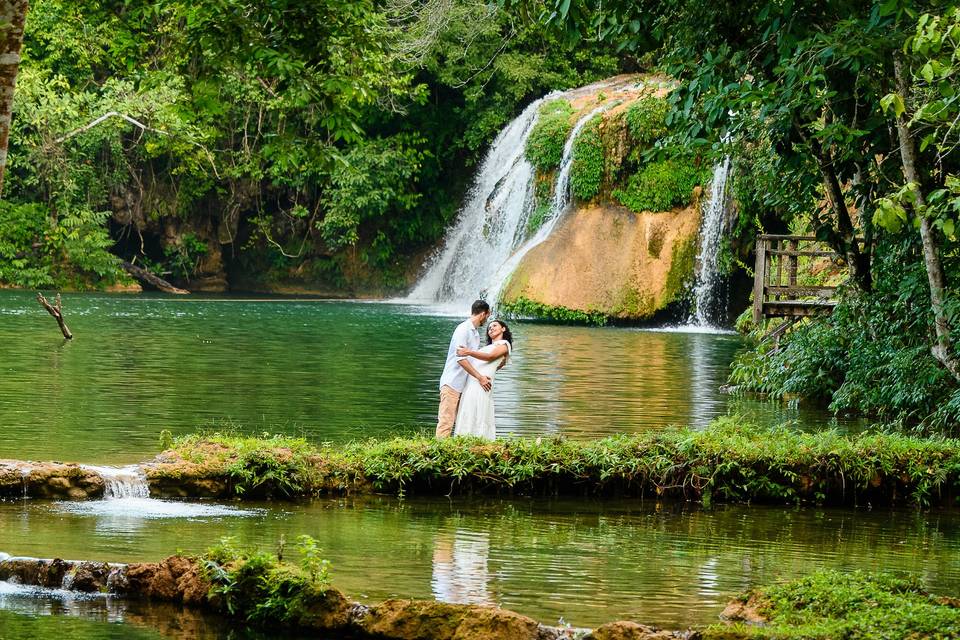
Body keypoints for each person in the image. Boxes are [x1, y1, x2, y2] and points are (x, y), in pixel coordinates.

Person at [436, 300, 491, 439]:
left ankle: (451, 451)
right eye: (487, 316)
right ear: (483, 314)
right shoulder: (463, 329)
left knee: (460, 421)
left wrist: (487, 372)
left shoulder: (475, 334)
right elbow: (460, 359)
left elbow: (473, 359)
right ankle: (438, 453)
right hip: (452, 382)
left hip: (463, 384)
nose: (487, 320)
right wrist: (480, 377)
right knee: (446, 421)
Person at [452, 320, 513, 440]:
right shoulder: (486, 347)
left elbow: (491, 357)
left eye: (495, 325)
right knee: (468, 409)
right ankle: (464, 440)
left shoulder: (504, 344)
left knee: (479, 409)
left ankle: (480, 440)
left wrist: (468, 352)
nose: (491, 328)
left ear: (503, 329)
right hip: (473, 381)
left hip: (483, 383)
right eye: (489, 327)